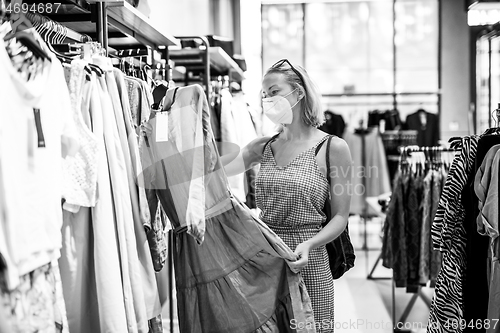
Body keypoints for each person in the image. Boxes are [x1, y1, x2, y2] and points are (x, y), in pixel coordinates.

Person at [221, 59, 353, 332]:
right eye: (265, 94)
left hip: (310, 259)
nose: (268, 99)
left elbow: (340, 216)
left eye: (275, 91)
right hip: (267, 258)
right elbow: (215, 169)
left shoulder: (333, 148)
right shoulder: (262, 146)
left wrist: (310, 244)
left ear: (299, 92)